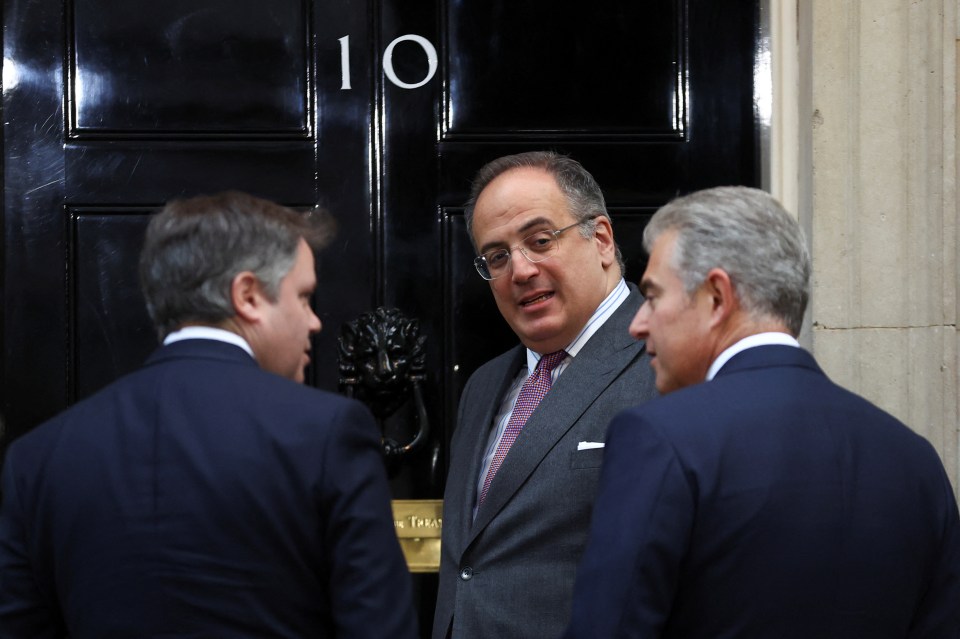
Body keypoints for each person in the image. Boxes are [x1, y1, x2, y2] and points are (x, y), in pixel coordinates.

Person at [0, 191, 419, 638]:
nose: (315, 322)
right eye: (304, 297)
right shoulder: (328, 433)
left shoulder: (37, 459)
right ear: (248, 296)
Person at [565, 186, 960, 638]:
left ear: (716, 297)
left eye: (652, 297)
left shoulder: (660, 436)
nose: (638, 324)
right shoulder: (915, 459)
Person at [433, 152, 658, 639]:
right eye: (496, 257)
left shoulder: (668, 362)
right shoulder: (484, 385)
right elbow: (471, 566)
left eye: (539, 241)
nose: (520, 270)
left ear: (600, 239)